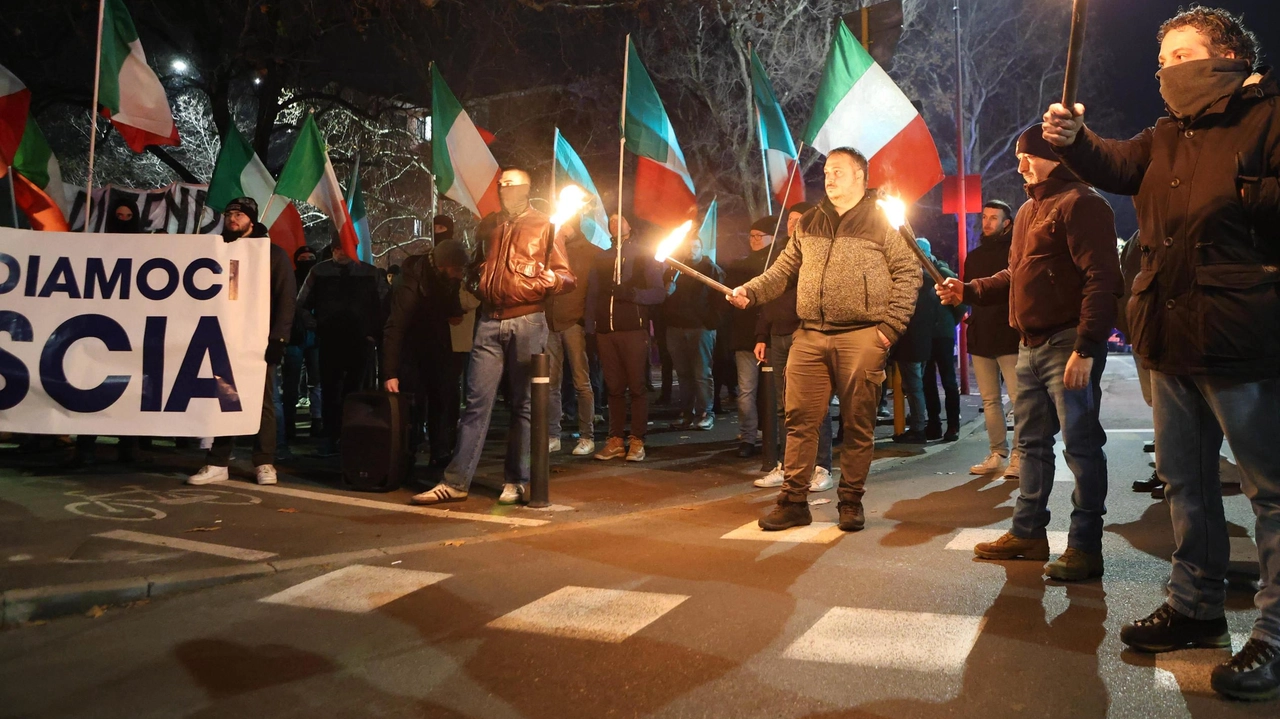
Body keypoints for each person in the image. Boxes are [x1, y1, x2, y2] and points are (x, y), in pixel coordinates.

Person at [1041, 7, 1280, 698]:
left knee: (1270, 493)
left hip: (1244, 337)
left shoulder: (1268, 118)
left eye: (1183, 54)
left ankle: (1273, 634)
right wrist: (1074, 138)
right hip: (1170, 337)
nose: (1169, 69)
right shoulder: (1166, 133)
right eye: (1163, 59)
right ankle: (1195, 608)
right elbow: (1113, 163)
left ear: (1228, 54)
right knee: (1186, 482)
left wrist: (1244, 192)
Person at [937, 125, 1122, 581]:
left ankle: (1084, 546)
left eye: (1030, 155)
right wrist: (969, 289)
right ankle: (1028, 533)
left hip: (1066, 345)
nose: (1021, 164)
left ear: (1057, 156)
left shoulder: (1083, 203)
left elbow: (1103, 280)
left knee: (1081, 447)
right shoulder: (1027, 211)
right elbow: (1015, 273)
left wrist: (1086, 345)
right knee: (1032, 446)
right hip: (1029, 347)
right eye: (1019, 156)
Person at [730, 147, 921, 532]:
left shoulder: (884, 219)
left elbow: (909, 273)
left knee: (858, 422)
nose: (829, 178)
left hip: (863, 335)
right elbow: (781, 271)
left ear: (860, 177)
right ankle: (793, 501)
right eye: (827, 172)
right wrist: (750, 291)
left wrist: (888, 329)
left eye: (838, 171)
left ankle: (850, 501)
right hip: (810, 335)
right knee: (799, 421)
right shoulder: (810, 222)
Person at [409, 168, 575, 506]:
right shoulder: (489, 226)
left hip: (527, 319)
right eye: (501, 185)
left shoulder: (546, 225)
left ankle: (516, 480)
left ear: (526, 189)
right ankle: (456, 481)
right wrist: (476, 282)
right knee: (475, 403)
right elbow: (476, 267)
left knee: (524, 404)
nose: (503, 190)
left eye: (510, 185)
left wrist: (542, 282)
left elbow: (566, 277)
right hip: (488, 321)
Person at [188, 197, 296, 486]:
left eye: (239, 214)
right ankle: (218, 461)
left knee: (262, 401)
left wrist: (279, 339)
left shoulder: (272, 255)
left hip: (258, 340)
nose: (232, 218)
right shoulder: (216, 250)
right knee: (224, 398)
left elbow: (286, 300)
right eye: (229, 213)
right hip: (222, 337)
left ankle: (264, 462)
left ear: (252, 219)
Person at [752, 201, 836, 494]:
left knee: (814, 405)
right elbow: (767, 294)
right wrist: (762, 335)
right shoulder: (779, 255)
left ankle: (821, 466)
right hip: (778, 337)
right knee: (782, 406)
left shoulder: (815, 252)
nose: (792, 223)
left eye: (798, 219)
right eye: (789, 219)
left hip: (806, 333)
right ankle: (787, 466)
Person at [70, 198, 146, 467]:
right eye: (119, 216)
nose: (123, 221)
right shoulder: (98, 246)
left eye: (128, 216)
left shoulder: (147, 249)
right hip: (99, 328)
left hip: (132, 329)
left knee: (129, 388)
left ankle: (129, 445)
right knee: (91, 384)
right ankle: (86, 446)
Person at [296, 237, 388, 456]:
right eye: (338, 248)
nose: (342, 252)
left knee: (355, 391)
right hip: (330, 340)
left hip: (360, 341)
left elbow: (385, 304)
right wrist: (315, 326)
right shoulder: (319, 272)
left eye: (346, 248)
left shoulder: (370, 273)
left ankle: (352, 437)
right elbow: (300, 304)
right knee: (330, 390)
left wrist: (373, 333)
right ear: (332, 250)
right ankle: (330, 436)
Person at [585, 214, 666, 462]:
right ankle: (615, 439)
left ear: (630, 225)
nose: (614, 223)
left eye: (620, 218)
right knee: (614, 388)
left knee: (637, 387)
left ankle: (637, 440)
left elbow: (658, 293)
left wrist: (631, 293)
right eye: (610, 219)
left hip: (633, 330)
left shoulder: (643, 254)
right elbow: (592, 295)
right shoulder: (601, 257)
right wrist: (591, 328)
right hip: (606, 333)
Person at [382, 240, 469, 469]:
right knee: (414, 403)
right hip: (411, 349)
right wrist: (390, 373)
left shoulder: (444, 280)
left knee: (443, 398)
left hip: (438, 346)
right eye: (457, 269)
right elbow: (395, 327)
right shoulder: (410, 283)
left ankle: (440, 452)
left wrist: (454, 312)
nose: (460, 275)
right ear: (442, 266)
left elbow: (449, 305)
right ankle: (407, 453)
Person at [964, 199, 1022, 478]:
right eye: (984, 217)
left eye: (993, 218)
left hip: (1009, 334)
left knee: (1019, 398)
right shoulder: (973, 257)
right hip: (981, 334)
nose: (987, 222)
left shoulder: (1015, 253)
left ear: (1006, 223)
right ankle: (997, 452)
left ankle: (1019, 456)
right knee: (989, 400)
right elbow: (968, 295)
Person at [546, 217, 602, 456]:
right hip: (550, 322)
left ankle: (587, 436)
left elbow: (594, 290)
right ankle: (552, 435)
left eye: (565, 225)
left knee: (581, 381)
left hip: (574, 324)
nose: (562, 229)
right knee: (550, 383)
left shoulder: (590, 253)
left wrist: (586, 323)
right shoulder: (549, 248)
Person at [725, 216, 779, 457]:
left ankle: (774, 435)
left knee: (777, 391)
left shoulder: (778, 265)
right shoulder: (739, 266)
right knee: (746, 390)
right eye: (752, 236)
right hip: (746, 337)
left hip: (774, 336)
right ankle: (747, 437)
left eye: (760, 236)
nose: (755, 240)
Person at [663, 236, 725, 431]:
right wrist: (667, 293)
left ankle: (706, 413)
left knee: (701, 373)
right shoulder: (675, 269)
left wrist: (710, 323)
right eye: (689, 246)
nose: (692, 250)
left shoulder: (711, 270)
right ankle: (686, 412)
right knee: (683, 373)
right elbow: (663, 295)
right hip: (676, 327)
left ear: (701, 248)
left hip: (700, 328)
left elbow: (720, 300)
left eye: (696, 246)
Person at [919, 240, 963, 442]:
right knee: (929, 380)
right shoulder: (931, 273)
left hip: (941, 333)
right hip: (930, 332)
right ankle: (936, 424)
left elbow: (961, 303)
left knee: (945, 380)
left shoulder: (942, 273)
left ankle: (951, 424)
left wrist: (948, 322)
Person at [282, 245, 322, 441]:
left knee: (317, 382)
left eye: (310, 257)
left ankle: (317, 421)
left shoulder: (321, 280)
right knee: (291, 383)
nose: (306, 261)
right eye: (303, 258)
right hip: (294, 337)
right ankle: (289, 425)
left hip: (315, 337)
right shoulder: (290, 279)